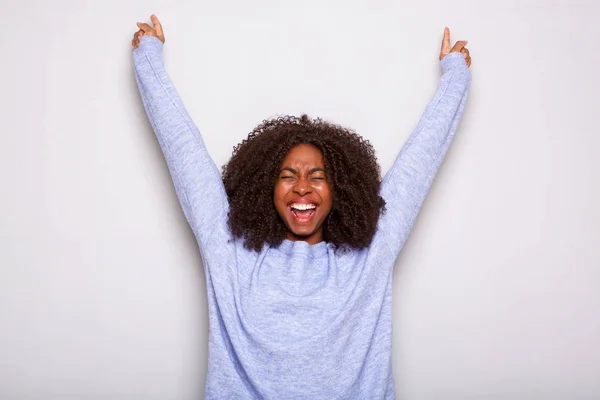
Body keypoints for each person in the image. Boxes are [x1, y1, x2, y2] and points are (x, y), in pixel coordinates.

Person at [131, 14, 471, 399]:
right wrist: (149, 58)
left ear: (340, 187)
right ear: (266, 187)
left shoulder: (371, 252)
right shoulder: (229, 251)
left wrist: (454, 77)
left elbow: (419, 163)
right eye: (288, 175)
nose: (303, 189)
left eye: (319, 176)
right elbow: (184, 153)